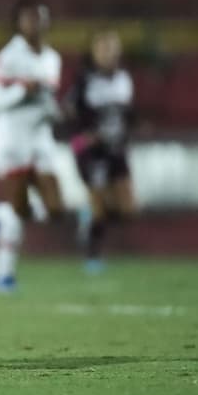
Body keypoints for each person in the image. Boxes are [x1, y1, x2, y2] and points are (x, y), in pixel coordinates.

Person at [0, 0, 65, 292]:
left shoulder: (52, 58)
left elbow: (47, 100)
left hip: (39, 138)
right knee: (19, 211)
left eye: (40, 18)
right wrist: (19, 89)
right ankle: (3, 276)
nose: (35, 24)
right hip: (10, 140)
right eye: (29, 18)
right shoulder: (10, 57)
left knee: (55, 208)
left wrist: (56, 111)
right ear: (19, 23)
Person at [63, 30, 136, 271]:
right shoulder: (85, 80)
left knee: (127, 209)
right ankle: (93, 255)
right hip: (90, 151)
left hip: (116, 148)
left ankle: (89, 219)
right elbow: (69, 109)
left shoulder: (124, 79)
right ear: (94, 53)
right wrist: (83, 135)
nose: (108, 54)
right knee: (101, 206)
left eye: (112, 48)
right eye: (103, 48)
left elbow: (126, 114)